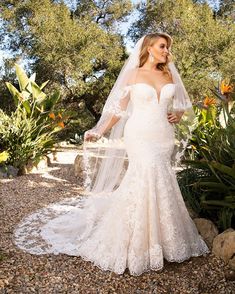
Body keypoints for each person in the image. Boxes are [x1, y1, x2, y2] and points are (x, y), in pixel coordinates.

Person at [14, 33, 210, 276]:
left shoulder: (169, 73)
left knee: (162, 178)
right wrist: (98, 130)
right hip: (139, 134)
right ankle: (134, 243)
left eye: (168, 47)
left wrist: (177, 116)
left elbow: (182, 104)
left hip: (163, 136)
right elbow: (118, 109)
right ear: (149, 47)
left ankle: (165, 241)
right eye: (162, 46)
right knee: (144, 176)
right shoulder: (133, 74)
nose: (166, 50)